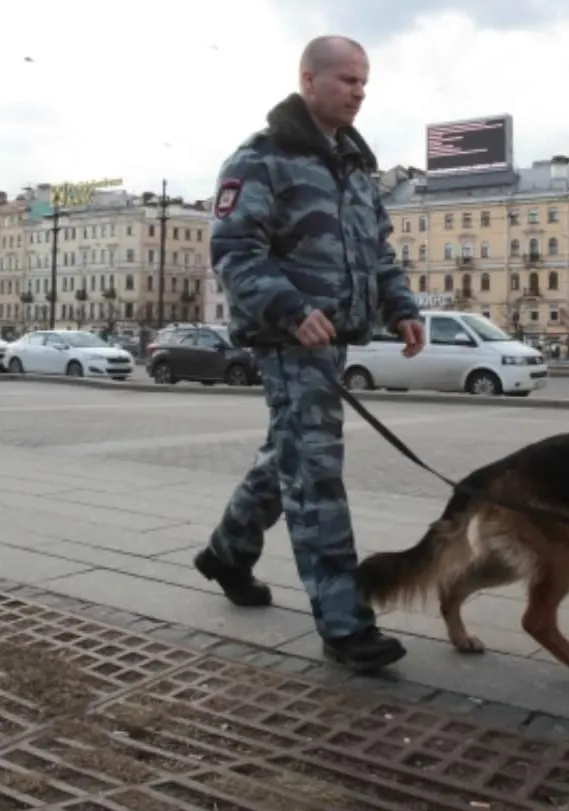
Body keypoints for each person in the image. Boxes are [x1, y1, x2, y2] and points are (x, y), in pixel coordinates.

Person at [193, 35, 426, 674]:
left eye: (364, 82)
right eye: (348, 79)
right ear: (308, 79)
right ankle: (345, 621)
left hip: (332, 340)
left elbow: (376, 252)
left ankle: (226, 554)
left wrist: (402, 307)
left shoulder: (354, 166)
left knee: (288, 455)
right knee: (315, 471)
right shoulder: (261, 159)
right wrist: (293, 311)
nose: (359, 91)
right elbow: (235, 252)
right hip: (285, 339)